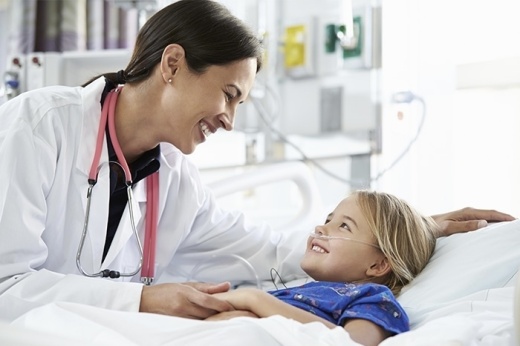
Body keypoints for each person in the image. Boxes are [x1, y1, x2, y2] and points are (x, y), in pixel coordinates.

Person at [0, 0, 515, 324]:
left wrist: (409, 230)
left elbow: (266, 251)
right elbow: (5, 286)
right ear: (173, 65)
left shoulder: (174, 181)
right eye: (227, 95)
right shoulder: (38, 128)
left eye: (239, 104)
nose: (229, 119)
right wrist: (145, 301)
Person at [206, 190, 439, 346]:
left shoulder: (371, 299)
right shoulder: (299, 292)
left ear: (378, 264)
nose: (320, 228)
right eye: (328, 220)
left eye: (344, 226)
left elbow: (351, 343)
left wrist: (254, 300)